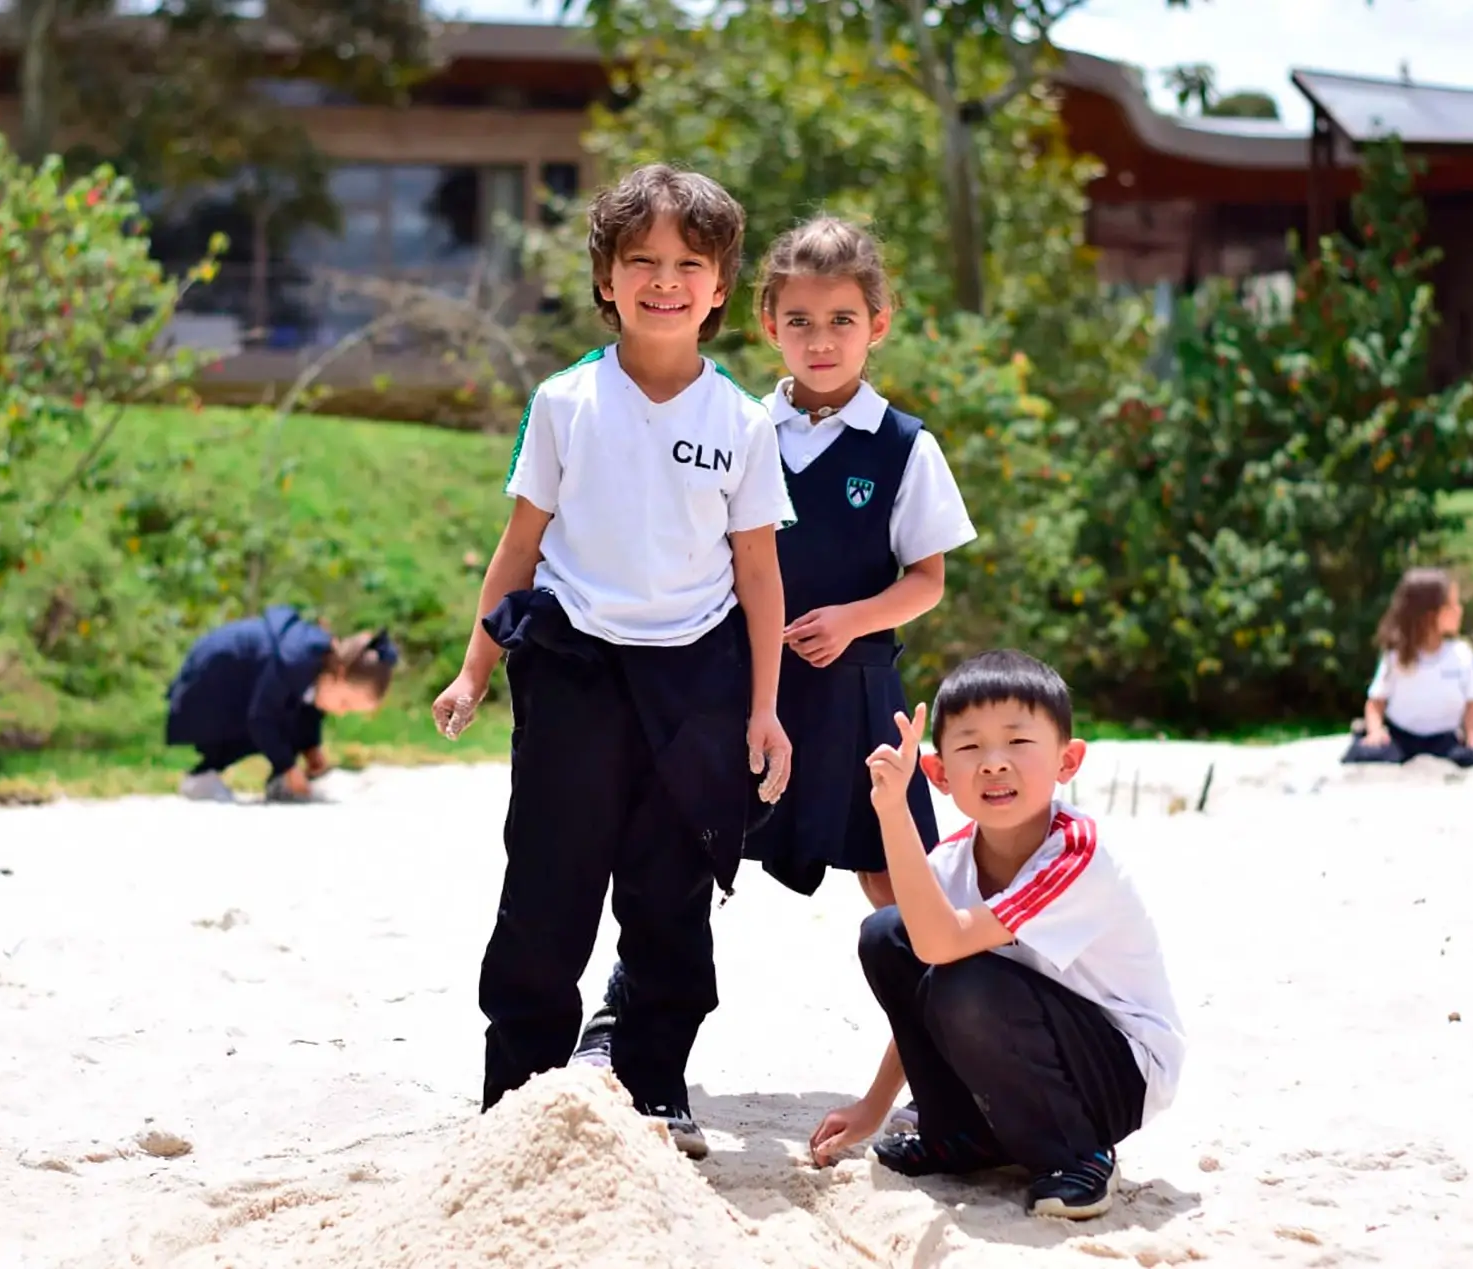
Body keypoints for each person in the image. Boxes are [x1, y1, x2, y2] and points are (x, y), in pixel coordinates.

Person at [569, 216, 977, 1135]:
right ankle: (618, 1029)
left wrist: (854, 618)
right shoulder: (738, 423)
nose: (820, 339)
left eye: (841, 319)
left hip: (859, 702)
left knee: (898, 883)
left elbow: (929, 580)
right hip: (739, 695)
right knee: (677, 862)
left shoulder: (907, 447)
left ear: (878, 323)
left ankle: (944, 1060)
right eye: (799, 320)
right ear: (765, 322)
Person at [430, 163, 795, 1158]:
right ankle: (521, 1086)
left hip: (698, 682)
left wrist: (765, 711)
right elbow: (519, 544)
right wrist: (474, 667)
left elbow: (760, 575)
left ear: (722, 287)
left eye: (690, 263)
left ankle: (655, 1078)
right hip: (576, 669)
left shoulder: (745, 424)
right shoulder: (564, 404)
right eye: (643, 262)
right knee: (550, 879)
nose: (665, 281)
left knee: (670, 886)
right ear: (606, 278)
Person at [808, 650, 1186, 1222]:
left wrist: (894, 813)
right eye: (969, 747)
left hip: (1117, 1072)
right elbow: (921, 970)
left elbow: (944, 953)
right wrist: (873, 1104)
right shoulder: (954, 860)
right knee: (887, 935)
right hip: (1019, 1037)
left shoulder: (1074, 854)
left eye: (1018, 742)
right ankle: (958, 1134)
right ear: (938, 774)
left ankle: (1076, 1152)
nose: (993, 764)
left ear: (1068, 760)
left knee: (958, 975)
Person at [164, 605, 396, 803]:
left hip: (230, 692)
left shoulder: (318, 664)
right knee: (271, 724)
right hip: (205, 693)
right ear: (339, 674)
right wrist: (288, 768)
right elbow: (261, 718)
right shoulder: (294, 661)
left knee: (288, 719)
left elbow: (307, 713)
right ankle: (201, 778)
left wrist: (311, 750)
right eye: (345, 703)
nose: (342, 712)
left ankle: (280, 782)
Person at [1341, 566, 1473, 768]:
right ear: (1429, 615)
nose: (1460, 610)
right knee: (1363, 754)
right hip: (1402, 737)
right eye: (1453, 605)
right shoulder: (1396, 655)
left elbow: (1472, 704)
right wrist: (1375, 731)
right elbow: (1376, 703)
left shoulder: (1462, 653)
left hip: (1444, 738)